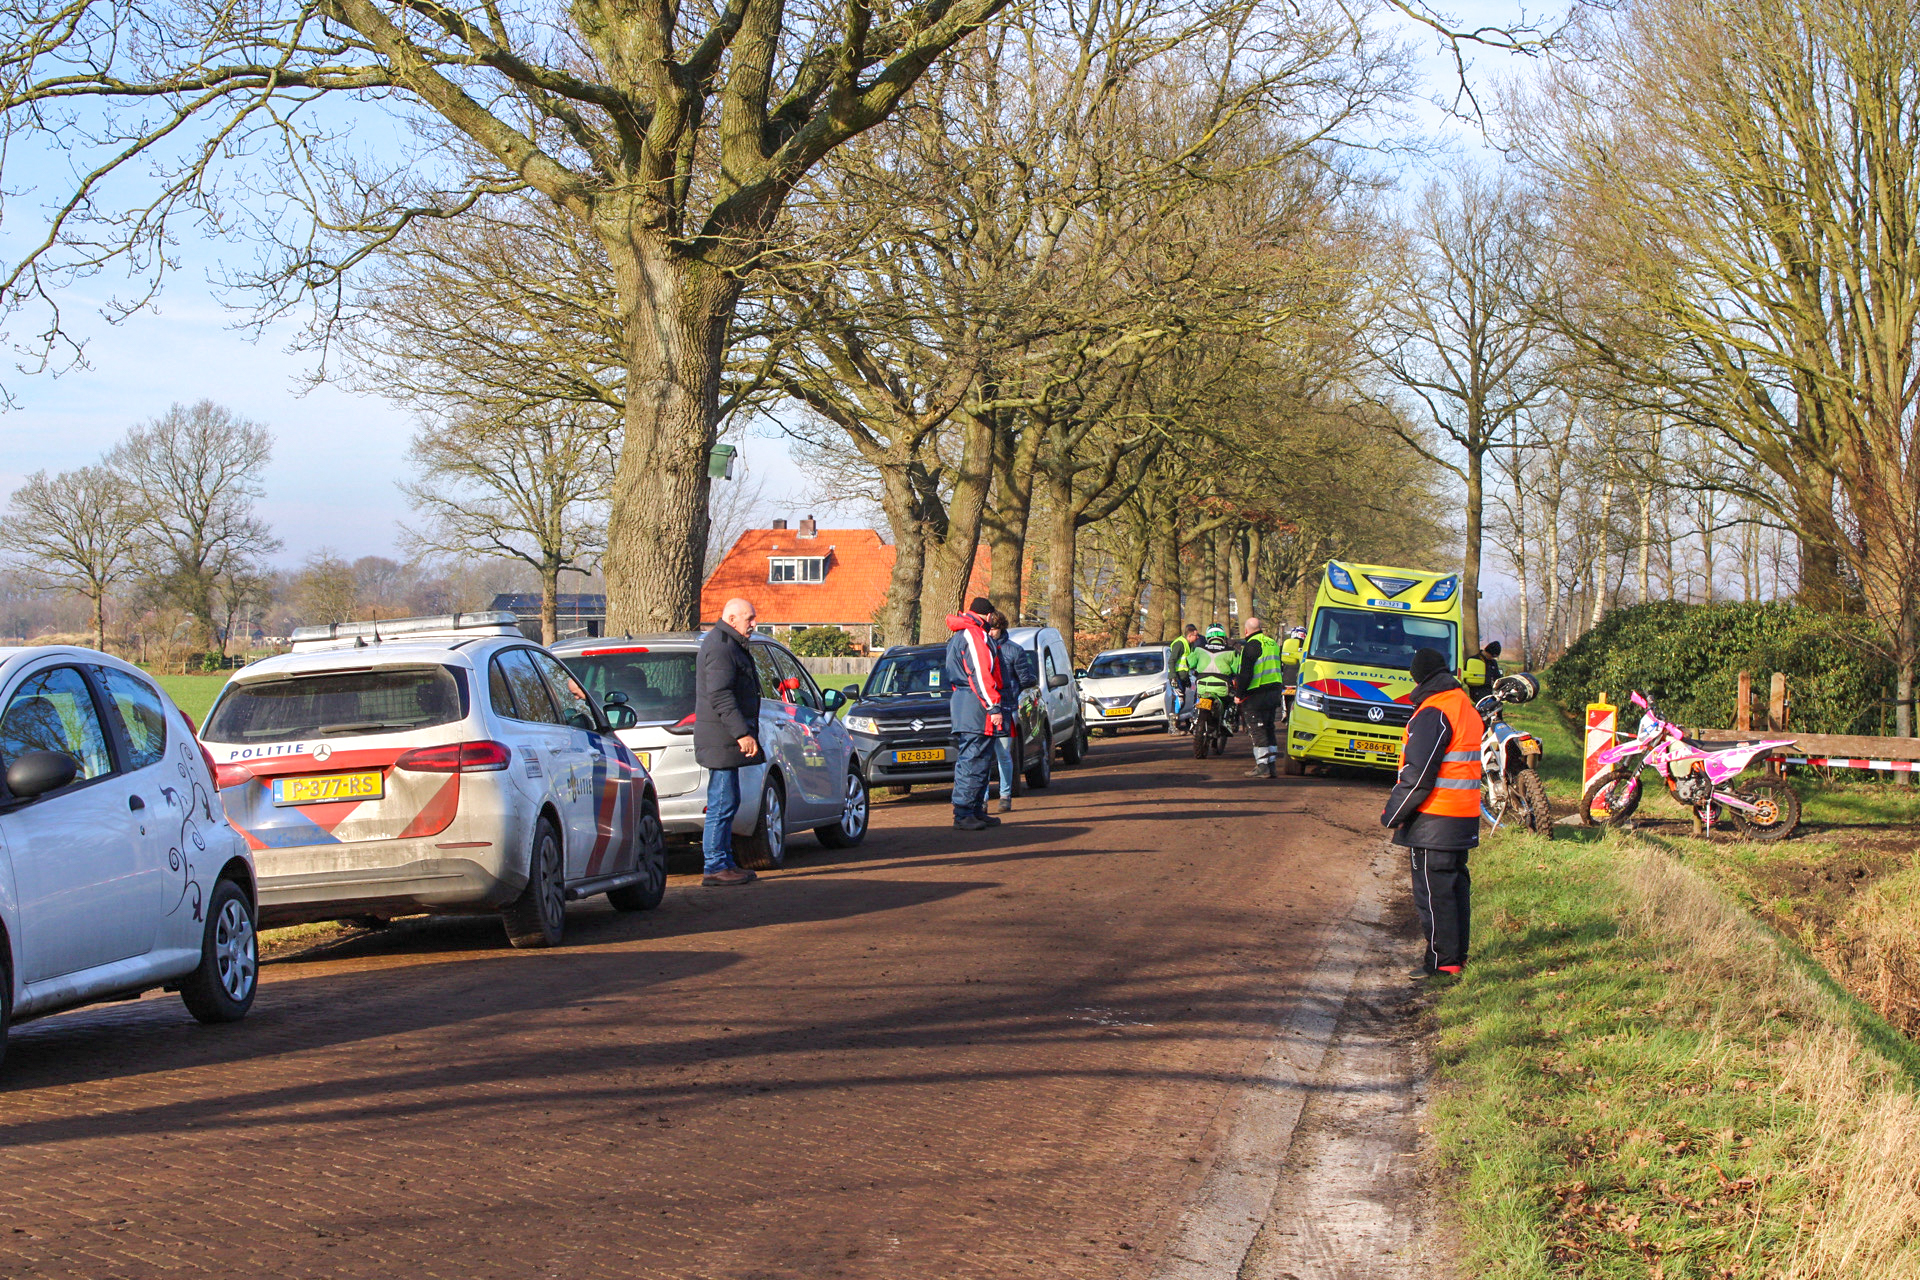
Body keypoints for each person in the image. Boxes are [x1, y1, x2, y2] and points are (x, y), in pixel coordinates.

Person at [1380, 647, 1483, 978]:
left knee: (1434, 894)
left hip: (1434, 817)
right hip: (1463, 815)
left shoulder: (1433, 711)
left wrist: (1393, 814)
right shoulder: (1463, 705)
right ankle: (1456, 956)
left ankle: (1441, 963)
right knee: (1454, 890)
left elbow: (1418, 774)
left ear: (1418, 677)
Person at [695, 597, 763, 887]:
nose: (754, 624)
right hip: (721, 738)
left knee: (728, 800)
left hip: (721, 737)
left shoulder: (726, 643)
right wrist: (741, 733)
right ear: (732, 618)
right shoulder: (722, 648)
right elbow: (721, 695)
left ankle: (725, 862)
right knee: (722, 802)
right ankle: (715, 865)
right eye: (750, 618)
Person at [946, 596, 1008, 831]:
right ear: (989, 615)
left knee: (980, 758)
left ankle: (974, 810)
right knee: (972, 758)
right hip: (976, 705)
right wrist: (993, 706)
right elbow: (980, 674)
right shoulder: (974, 635)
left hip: (967, 701)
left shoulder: (961, 635)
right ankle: (963, 812)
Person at [1233, 615, 1288, 778]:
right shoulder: (1271, 643)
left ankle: (1262, 766)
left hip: (1257, 694)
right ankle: (1271, 765)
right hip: (1274, 691)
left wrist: (1239, 695)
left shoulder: (1251, 646)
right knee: (1269, 728)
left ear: (1246, 630)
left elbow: (1246, 674)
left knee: (1258, 730)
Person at [987, 611, 1022, 813]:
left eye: (994, 628)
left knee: (1003, 754)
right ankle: (982, 798)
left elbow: (1025, 678)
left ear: (1001, 628)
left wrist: (1011, 698)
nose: (991, 633)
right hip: (987, 709)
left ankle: (1005, 795)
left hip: (1007, 707)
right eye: (989, 628)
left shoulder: (1013, 650)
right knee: (984, 756)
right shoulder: (982, 650)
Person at [1181, 624, 1241, 730]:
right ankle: (1229, 721)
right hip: (1222, 689)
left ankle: (1195, 719)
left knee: (1198, 699)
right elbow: (1237, 669)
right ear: (1223, 637)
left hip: (1202, 687)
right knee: (1230, 701)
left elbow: (1190, 663)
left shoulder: (1199, 649)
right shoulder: (1230, 651)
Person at [1168, 623, 1200, 726]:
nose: (1198, 637)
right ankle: (1172, 727)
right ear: (1190, 635)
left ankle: (1178, 724)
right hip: (1176, 677)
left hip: (1183, 677)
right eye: (1196, 635)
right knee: (1179, 700)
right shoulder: (1180, 644)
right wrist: (1173, 677)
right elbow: (1172, 661)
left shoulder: (1190, 645)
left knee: (1183, 701)